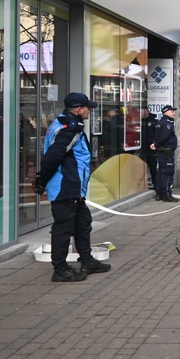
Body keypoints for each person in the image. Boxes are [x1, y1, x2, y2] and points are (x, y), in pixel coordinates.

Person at [33, 92, 111, 282]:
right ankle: (59, 269)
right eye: (87, 108)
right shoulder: (70, 129)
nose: (90, 111)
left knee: (82, 223)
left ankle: (86, 260)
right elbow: (53, 157)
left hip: (73, 188)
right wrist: (41, 181)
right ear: (78, 109)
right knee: (63, 228)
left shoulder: (64, 124)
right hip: (65, 187)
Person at [151, 105, 178, 203]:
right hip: (166, 152)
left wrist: (155, 144)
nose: (173, 113)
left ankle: (160, 194)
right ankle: (166, 195)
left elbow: (156, 136)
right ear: (166, 112)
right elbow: (163, 137)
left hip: (162, 152)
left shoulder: (160, 123)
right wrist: (156, 144)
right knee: (167, 173)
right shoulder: (166, 123)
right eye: (172, 111)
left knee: (160, 173)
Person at [140, 108, 158, 188]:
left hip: (151, 148)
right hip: (141, 147)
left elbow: (157, 135)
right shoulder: (139, 121)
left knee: (153, 167)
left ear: (146, 111)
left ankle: (156, 185)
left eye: (142, 111)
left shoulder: (154, 122)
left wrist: (154, 143)